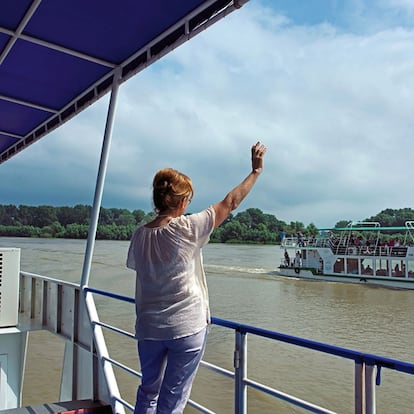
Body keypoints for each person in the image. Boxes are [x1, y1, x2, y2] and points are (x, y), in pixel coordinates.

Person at [126, 141, 266, 414]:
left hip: (148, 329)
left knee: (148, 391)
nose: (190, 204)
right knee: (173, 399)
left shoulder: (139, 235)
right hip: (185, 327)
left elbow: (142, 270)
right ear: (180, 201)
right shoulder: (187, 228)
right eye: (188, 199)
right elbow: (231, 202)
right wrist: (256, 172)